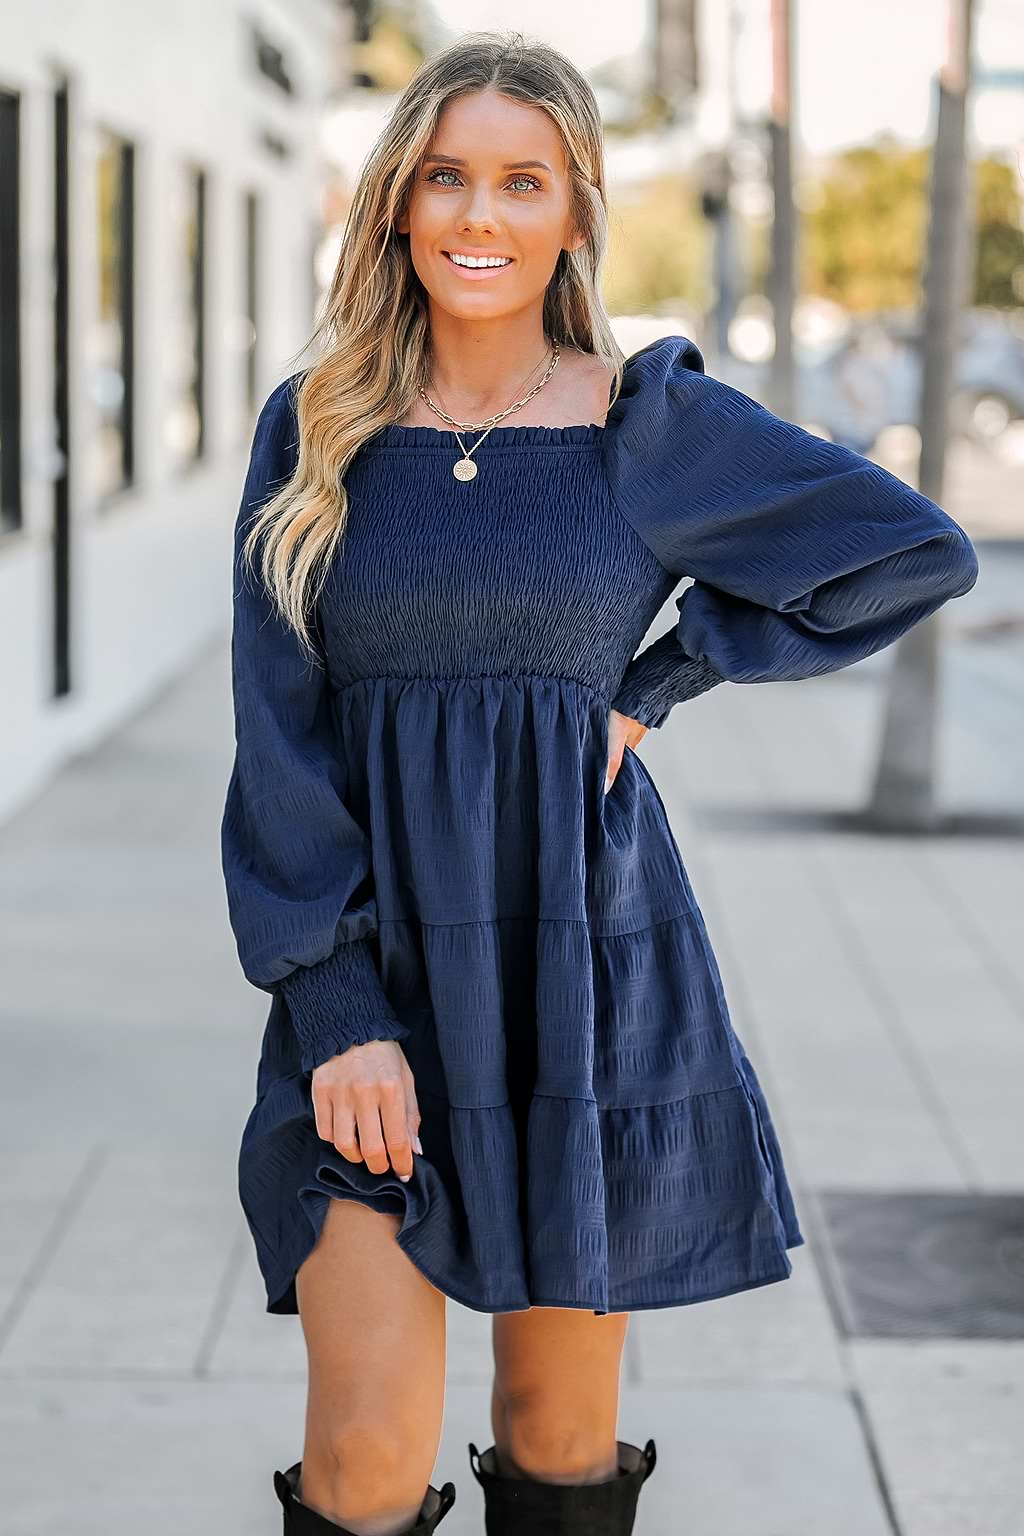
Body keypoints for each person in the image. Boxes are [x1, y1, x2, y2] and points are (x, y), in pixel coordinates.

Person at [219, 32, 980, 1536]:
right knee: (367, 1456)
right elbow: (276, 730)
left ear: (576, 213)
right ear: (395, 207)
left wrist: (660, 680)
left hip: (578, 968)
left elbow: (910, 552)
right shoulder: (316, 431)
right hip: (374, 985)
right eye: (446, 178)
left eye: (522, 181)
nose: (479, 216)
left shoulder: (648, 424)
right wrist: (335, 1013)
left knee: (557, 1441)